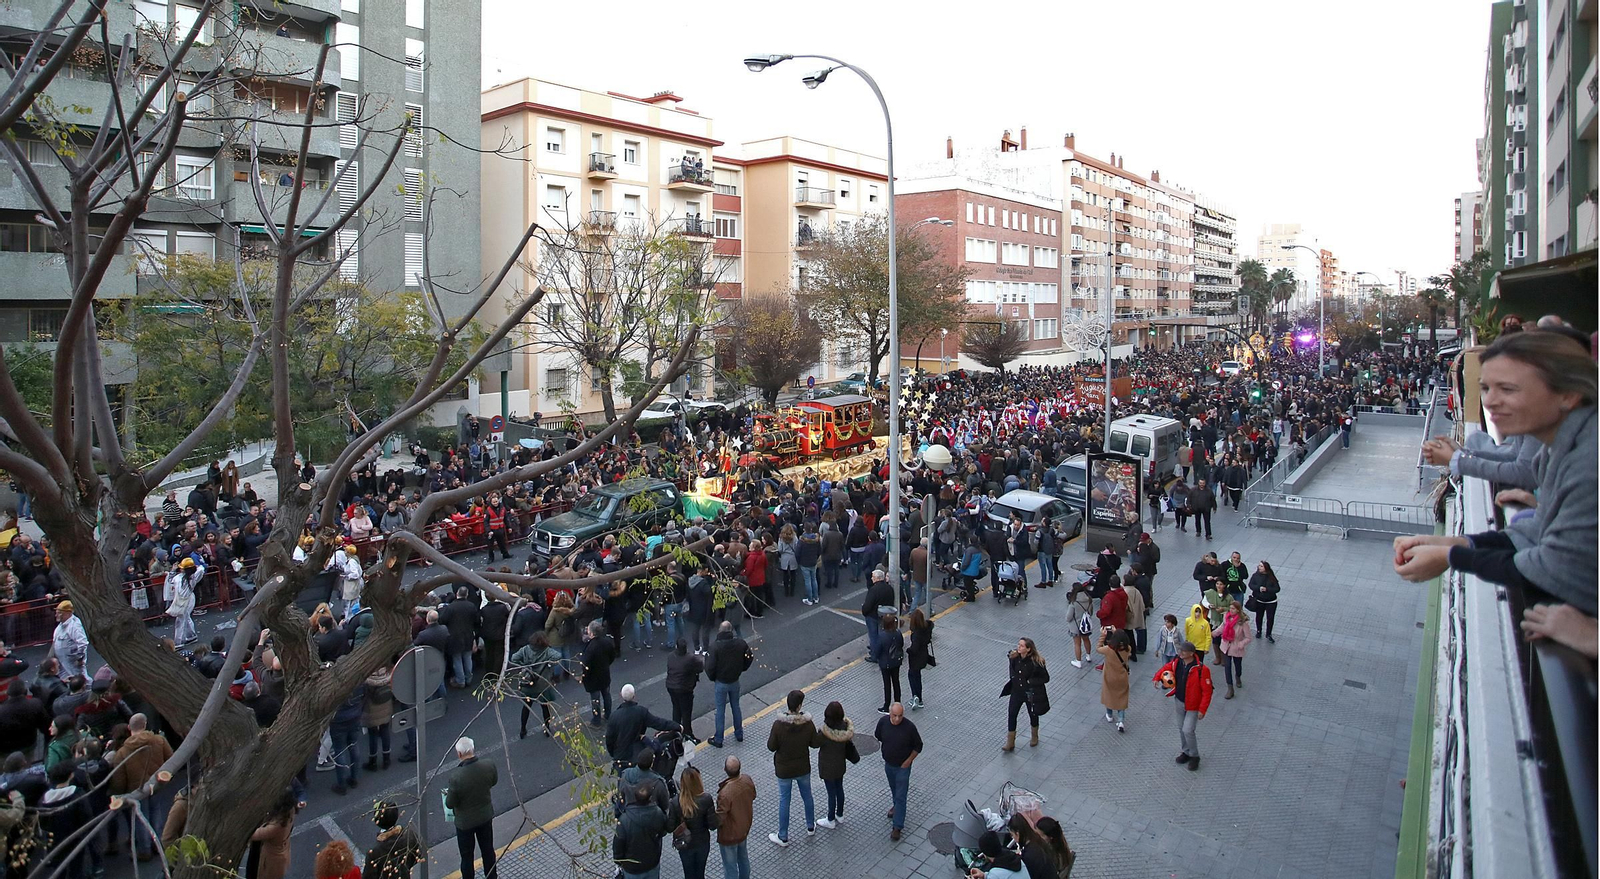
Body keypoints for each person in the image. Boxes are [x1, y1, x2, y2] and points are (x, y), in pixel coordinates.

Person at [1395, 331, 1597, 617]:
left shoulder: (1588, 461)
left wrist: (1452, 556)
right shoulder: (1557, 448)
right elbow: (1538, 531)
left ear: (1568, 394)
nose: (1490, 403)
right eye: (1486, 388)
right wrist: (1459, 543)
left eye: (1508, 389)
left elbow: (1556, 569)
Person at [765, 689, 818, 847]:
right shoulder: (807, 724)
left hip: (784, 769)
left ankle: (783, 835)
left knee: (784, 800)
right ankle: (810, 826)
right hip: (802, 767)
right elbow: (815, 743)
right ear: (800, 705)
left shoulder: (778, 725)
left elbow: (771, 746)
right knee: (807, 796)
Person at [1153, 641, 1213, 771]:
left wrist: (1202, 709)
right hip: (1179, 701)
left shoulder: (1202, 670)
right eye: (1180, 650)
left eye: (1183, 651)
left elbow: (1207, 692)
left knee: (1188, 730)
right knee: (1181, 729)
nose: (1180, 653)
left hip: (1193, 706)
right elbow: (1166, 668)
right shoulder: (1177, 662)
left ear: (1191, 654)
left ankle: (1194, 755)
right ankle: (1186, 752)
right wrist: (1157, 677)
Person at [446, 738, 498, 878]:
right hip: (485, 817)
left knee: (467, 857)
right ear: (473, 749)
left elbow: (450, 803)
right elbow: (493, 781)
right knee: (488, 850)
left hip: (465, 824)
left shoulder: (456, 777)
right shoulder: (489, 765)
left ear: (459, 754)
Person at [874, 702, 921, 841]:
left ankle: (897, 826)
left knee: (901, 795)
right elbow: (879, 736)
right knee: (894, 789)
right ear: (890, 713)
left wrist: (908, 761)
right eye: (894, 716)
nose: (897, 719)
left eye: (900, 716)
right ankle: (896, 807)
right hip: (889, 764)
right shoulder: (883, 723)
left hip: (902, 767)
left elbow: (918, 746)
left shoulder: (909, 728)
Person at [605, 683, 680, 769]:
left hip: (621, 758)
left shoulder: (614, 716)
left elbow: (609, 739)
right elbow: (658, 723)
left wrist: (614, 754)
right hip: (637, 755)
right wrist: (676, 726)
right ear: (634, 696)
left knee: (623, 781)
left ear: (621, 695)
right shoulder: (641, 712)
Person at [706, 621, 752, 748]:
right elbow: (749, 656)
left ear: (720, 631)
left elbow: (710, 667)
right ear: (731, 630)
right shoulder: (740, 643)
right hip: (734, 680)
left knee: (720, 710)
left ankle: (719, 738)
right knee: (736, 706)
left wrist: (713, 677)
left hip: (721, 682)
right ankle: (739, 733)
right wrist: (742, 668)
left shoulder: (715, 647)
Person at [814, 700, 859, 829]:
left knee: (831, 793)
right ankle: (840, 814)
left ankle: (830, 819)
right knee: (839, 789)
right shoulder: (845, 728)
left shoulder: (824, 733)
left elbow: (815, 743)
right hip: (840, 766)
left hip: (827, 768)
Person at [669, 764, 719, 879]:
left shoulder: (675, 802)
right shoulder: (706, 799)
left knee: (689, 874)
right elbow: (712, 825)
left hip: (685, 845)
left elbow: (670, 827)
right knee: (700, 873)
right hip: (702, 843)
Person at [613, 782, 670, 879]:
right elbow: (663, 831)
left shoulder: (624, 820)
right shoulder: (658, 814)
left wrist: (619, 861)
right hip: (652, 863)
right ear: (650, 797)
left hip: (632, 868)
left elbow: (618, 844)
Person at [511, 633, 562, 739]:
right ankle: (547, 729)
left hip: (528, 684)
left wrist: (524, 666)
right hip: (542, 685)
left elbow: (514, 658)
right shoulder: (547, 652)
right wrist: (549, 664)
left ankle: (523, 729)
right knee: (545, 707)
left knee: (526, 707)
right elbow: (558, 656)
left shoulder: (525, 649)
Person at [1002, 637, 1050, 751]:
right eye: (1019, 644)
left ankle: (1034, 736)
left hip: (1030, 693)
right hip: (1016, 692)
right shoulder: (1014, 658)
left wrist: (1031, 682)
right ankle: (1010, 741)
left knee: (1032, 714)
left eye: (1022, 646)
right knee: (1012, 714)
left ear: (1028, 649)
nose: (1019, 647)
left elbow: (1045, 678)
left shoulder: (1035, 662)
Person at [715, 756, 757, 879]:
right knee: (743, 859)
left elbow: (720, 818)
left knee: (730, 867)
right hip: (743, 829)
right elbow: (753, 795)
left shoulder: (724, 794)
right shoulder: (747, 780)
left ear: (725, 770)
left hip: (729, 834)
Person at [363, 801, 424, 879]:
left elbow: (368, 877)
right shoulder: (410, 835)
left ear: (377, 822)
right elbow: (418, 855)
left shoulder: (374, 852)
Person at [665, 639, 704, 743]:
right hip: (684, 689)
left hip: (671, 687)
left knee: (676, 709)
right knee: (686, 713)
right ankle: (688, 734)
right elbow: (700, 667)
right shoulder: (690, 658)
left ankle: (675, 733)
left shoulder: (670, 656)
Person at [581, 620, 618, 727]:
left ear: (592, 633)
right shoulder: (607, 642)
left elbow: (585, 664)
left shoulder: (590, 647)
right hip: (605, 674)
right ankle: (607, 714)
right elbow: (612, 656)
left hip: (593, 678)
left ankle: (596, 721)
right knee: (607, 695)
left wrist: (584, 676)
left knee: (595, 699)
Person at [1215, 600, 1253, 699]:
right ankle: (1230, 688)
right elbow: (1222, 627)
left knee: (1237, 665)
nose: (1231, 610)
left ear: (1238, 610)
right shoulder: (1226, 617)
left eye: (1233, 609)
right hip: (1226, 646)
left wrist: (1241, 644)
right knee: (1227, 667)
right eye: (1230, 608)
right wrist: (1213, 633)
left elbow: (1248, 638)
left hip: (1236, 648)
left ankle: (1238, 677)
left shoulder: (1242, 622)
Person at [1097, 628, 1132, 732]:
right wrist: (1116, 631)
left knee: (1109, 694)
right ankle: (1121, 721)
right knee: (1122, 697)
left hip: (1109, 677)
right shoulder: (1128, 648)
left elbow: (1098, 648)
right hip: (1122, 677)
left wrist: (1103, 635)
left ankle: (1109, 715)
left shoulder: (1108, 650)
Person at [47, 601, 89, 681]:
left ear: (67, 613)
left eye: (59, 613)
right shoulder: (60, 626)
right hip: (62, 662)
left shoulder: (74, 626)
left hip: (72, 662)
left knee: (80, 679)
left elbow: (83, 644)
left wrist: (79, 659)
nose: (56, 615)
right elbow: (55, 641)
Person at [1009, 813, 1057, 879]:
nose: (1013, 838)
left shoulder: (1029, 855)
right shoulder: (1037, 840)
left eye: (1012, 835)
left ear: (1017, 834)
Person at [862, 569, 894, 658]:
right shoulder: (889, 588)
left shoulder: (873, 590)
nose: (871, 579)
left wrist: (864, 611)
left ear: (877, 578)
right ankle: (878, 648)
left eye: (873, 577)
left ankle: (874, 655)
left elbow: (868, 605)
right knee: (881, 634)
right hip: (885, 615)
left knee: (873, 636)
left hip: (873, 615)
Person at [906, 608, 933, 710]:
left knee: (912, 676)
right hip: (924, 656)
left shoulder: (916, 634)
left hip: (915, 659)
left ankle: (915, 696)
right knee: (918, 676)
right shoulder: (926, 628)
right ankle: (920, 698)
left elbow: (914, 648)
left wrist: (908, 650)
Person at [1246, 561, 1280, 642]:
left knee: (1270, 618)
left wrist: (1267, 589)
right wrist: (1258, 588)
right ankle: (1259, 631)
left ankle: (1269, 634)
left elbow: (1277, 588)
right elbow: (1251, 585)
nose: (1259, 567)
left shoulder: (1271, 577)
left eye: (1261, 566)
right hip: (1259, 600)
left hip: (1271, 601)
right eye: (1259, 566)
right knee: (1259, 616)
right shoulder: (1256, 575)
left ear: (1266, 568)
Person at [1067, 585, 1095, 669]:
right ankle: (1088, 655)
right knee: (1086, 639)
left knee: (1077, 644)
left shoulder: (1074, 602)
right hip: (1086, 625)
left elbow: (1068, 617)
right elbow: (1091, 612)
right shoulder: (1089, 599)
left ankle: (1078, 661)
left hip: (1076, 626)